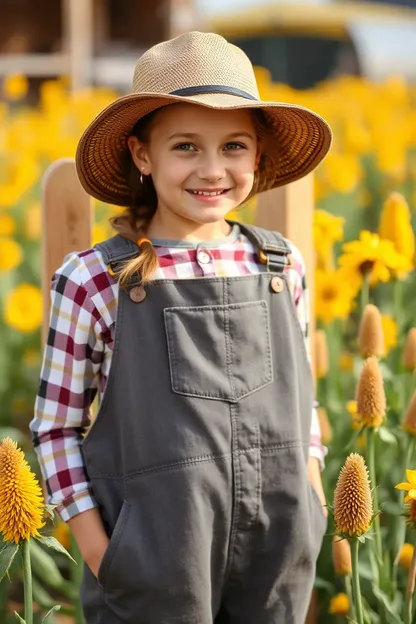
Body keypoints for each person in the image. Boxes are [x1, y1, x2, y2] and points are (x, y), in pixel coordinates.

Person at [30, 31, 332, 624]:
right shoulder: (94, 279)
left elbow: (303, 402)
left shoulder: (279, 264)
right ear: (143, 156)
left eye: (235, 146)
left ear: (258, 156)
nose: (213, 169)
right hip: (153, 562)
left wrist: (312, 496)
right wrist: (101, 552)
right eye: (187, 146)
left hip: (279, 549)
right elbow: (55, 429)